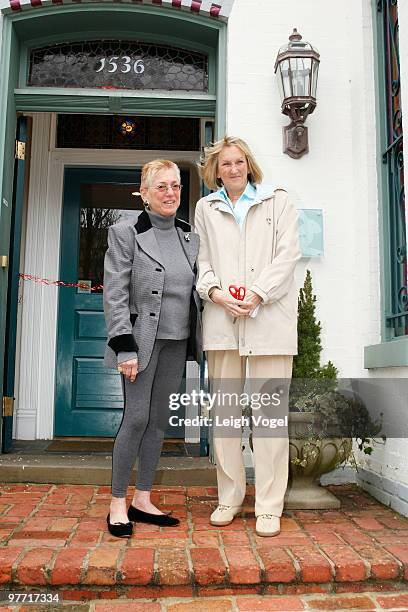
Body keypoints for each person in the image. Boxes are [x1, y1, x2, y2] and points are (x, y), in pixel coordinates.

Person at [195, 136, 300, 537]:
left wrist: (258, 294)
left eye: (239, 162)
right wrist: (216, 293)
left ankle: (270, 505)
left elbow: (287, 256)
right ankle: (230, 497)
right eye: (225, 164)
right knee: (224, 417)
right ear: (216, 170)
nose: (233, 169)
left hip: (269, 323)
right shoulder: (206, 208)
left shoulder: (279, 201)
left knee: (270, 418)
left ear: (249, 165)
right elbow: (201, 260)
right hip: (223, 324)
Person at [103, 159, 201, 538]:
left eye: (175, 186)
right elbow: (115, 293)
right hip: (141, 342)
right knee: (137, 418)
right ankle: (116, 502)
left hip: (178, 341)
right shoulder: (125, 232)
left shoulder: (189, 236)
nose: (170, 193)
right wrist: (124, 346)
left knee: (160, 421)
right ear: (144, 193)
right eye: (161, 186)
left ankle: (142, 499)